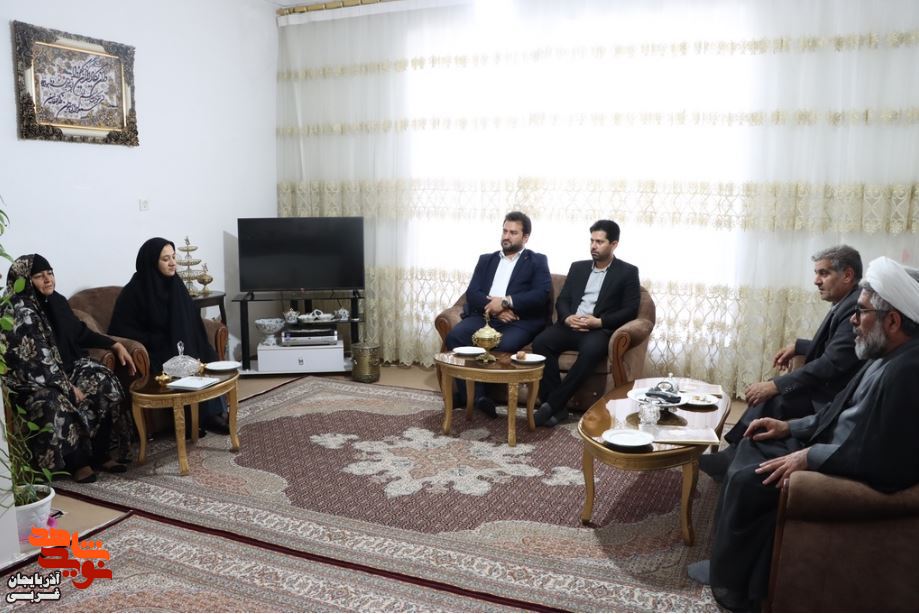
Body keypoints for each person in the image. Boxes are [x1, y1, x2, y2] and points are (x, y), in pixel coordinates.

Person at [688, 257, 919, 611]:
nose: (854, 320)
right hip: (832, 446)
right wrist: (789, 427)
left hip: (841, 462)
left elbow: (886, 461)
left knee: (748, 478)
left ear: (892, 320)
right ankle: (728, 561)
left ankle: (732, 585)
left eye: (861, 312)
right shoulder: (885, 353)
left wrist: (809, 456)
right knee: (753, 442)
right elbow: (837, 410)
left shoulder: (908, 371)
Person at [701, 245, 865, 479]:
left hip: (833, 398)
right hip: (829, 388)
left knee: (775, 396)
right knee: (774, 391)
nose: (816, 281)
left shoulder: (854, 308)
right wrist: (798, 346)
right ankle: (734, 452)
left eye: (824, 273)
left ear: (847, 275)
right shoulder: (847, 301)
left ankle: (732, 456)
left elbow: (831, 363)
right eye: (816, 273)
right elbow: (837, 346)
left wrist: (776, 385)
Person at [2, 255, 137, 483]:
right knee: (56, 400)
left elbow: (79, 331)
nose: (48, 279)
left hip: (66, 369)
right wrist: (66, 386)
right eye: (39, 276)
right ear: (23, 280)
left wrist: (113, 344)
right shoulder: (17, 312)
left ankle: (100, 454)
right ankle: (78, 463)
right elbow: (35, 361)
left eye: (50, 273)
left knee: (103, 380)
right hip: (35, 382)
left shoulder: (56, 301)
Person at [108, 238, 230, 434]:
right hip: (156, 347)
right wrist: (155, 339)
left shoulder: (176, 285)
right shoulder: (134, 291)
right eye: (166, 259)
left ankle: (212, 414)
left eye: (174, 257)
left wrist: (194, 342)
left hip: (182, 343)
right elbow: (121, 329)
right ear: (152, 262)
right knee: (177, 363)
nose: (173, 263)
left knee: (205, 355)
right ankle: (192, 420)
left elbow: (191, 320)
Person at [532, 220, 640, 427]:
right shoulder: (578, 267)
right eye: (592, 241)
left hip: (597, 329)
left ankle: (551, 404)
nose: (593, 246)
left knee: (591, 351)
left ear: (614, 244)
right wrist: (567, 317)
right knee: (541, 343)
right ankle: (559, 410)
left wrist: (599, 322)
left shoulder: (627, 272)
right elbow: (563, 299)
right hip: (571, 325)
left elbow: (630, 310)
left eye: (600, 242)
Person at [444, 211, 552, 416]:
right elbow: (473, 293)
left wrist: (505, 302)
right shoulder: (486, 260)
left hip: (518, 320)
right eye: (505, 231)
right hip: (486, 316)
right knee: (456, 336)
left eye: (513, 232)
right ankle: (478, 397)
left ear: (525, 237)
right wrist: (495, 310)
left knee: (503, 344)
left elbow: (540, 294)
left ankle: (474, 396)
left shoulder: (537, 260)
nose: (506, 236)